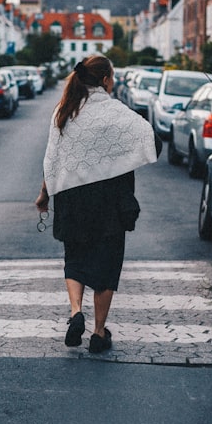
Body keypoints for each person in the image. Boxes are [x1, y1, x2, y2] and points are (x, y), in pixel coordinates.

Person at [34, 55, 159, 353]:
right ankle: (99, 332)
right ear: (104, 80)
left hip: (71, 197)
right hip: (109, 200)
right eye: (112, 78)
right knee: (106, 265)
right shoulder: (116, 112)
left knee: (75, 259)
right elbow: (150, 139)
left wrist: (44, 193)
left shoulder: (64, 111)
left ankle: (76, 312)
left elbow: (52, 158)